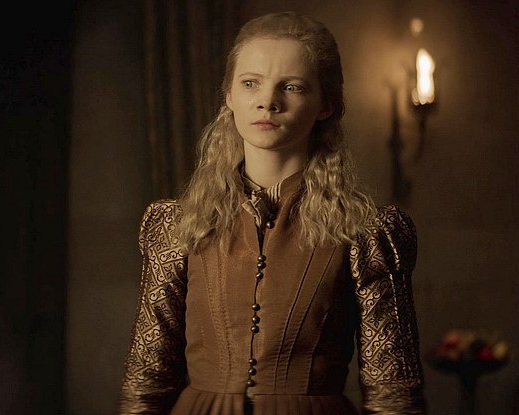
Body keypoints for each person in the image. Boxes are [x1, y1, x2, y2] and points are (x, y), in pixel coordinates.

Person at [119, 11, 425, 415]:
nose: (268, 101)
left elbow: (394, 394)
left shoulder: (368, 232)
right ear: (229, 96)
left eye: (292, 87)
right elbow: (146, 383)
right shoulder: (177, 224)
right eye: (250, 83)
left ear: (326, 105)